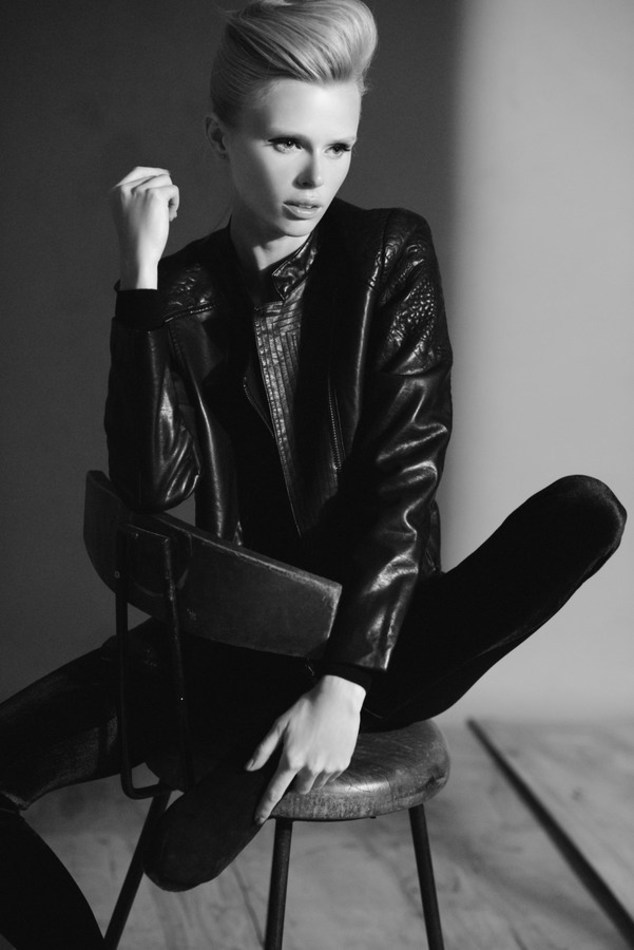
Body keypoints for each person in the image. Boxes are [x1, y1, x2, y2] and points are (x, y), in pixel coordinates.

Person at [0, 1, 626, 946]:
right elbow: (153, 487)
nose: (315, 177)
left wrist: (342, 688)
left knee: (581, 514)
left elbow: (404, 487)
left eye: (338, 148)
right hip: (220, 641)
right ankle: (256, 742)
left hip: (380, 629)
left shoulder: (388, 257)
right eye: (287, 143)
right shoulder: (181, 291)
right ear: (220, 135)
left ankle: (272, 739)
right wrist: (140, 283)